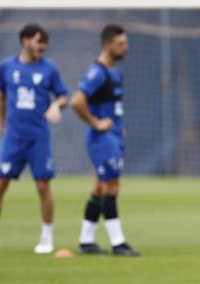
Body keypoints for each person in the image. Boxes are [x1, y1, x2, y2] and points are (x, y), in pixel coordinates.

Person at [0, 24, 68, 254]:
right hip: (13, 137)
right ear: (25, 41)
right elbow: (1, 97)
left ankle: (46, 239)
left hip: (38, 137)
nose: (42, 47)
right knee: (0, 184)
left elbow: (64, 96)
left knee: (43, 186)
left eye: (45, 43)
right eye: (38, 42)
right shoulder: (7, 66)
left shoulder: (50, 69)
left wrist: (56, 105)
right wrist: (2, 125)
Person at [70, 24, 139, 256]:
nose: (125, 48)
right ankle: (118, 242)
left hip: (114, 136)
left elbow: (112, 106)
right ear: (107, 45)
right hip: (102, 138)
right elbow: (77, 101)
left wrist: (119, 128)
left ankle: (86, 240)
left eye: (125, 43)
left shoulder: (116, 72)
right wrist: (95, 122)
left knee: (100, 187)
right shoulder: (96, 72)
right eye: (120, 44)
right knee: (111, 186)